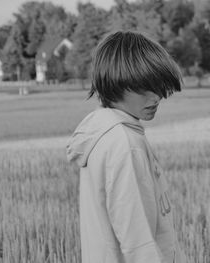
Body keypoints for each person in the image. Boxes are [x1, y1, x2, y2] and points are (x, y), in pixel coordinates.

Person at [66, 30, 185, 263]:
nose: (156, 97)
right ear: (116, 84)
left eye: (159, 86)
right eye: (144, 88)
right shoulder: (125, 144)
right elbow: (138, 242)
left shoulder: (104, 135)